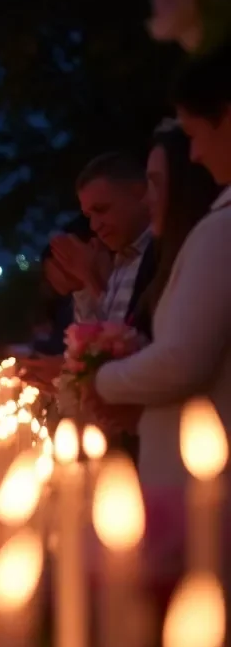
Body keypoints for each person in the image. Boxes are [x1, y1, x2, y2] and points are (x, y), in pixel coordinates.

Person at [95, 47, 231, 489]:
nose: (194, 154)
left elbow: (180, 362)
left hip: (201, 496)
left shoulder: (220, 231)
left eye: (194, 134)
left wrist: (98, 380)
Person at [53, 153, 157, 326]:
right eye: (89, 216)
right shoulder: (125, 258)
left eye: (101, 209)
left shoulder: (163, 252)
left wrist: (89, 276)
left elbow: (130, 339)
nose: (94, 226)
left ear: (139, 193)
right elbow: (104, 342)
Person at [133, 121, 219, 326]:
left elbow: (178, 355)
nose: (145, 200)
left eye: (155, 183)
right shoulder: (168, 262)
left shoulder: (215, 252)